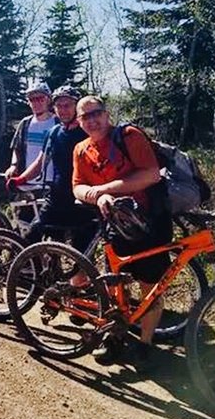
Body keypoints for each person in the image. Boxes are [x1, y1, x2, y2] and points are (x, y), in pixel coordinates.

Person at [72, 95, 172, 367]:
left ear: (106, 115)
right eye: (85, 116)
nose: (92, 120)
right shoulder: (81, 149)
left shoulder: (129, 136)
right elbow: (78, 186)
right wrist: (97, 197)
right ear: (79, 122)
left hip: (150, 223)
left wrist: (105, 190)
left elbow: (151, 174)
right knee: (115, 285)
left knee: (150, 288)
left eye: (96, 114)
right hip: (115, 226)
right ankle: (115, 337)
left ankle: (145, 344)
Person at [7, 86, 96, 252]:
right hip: (55, 199)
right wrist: (21, 179)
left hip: (82, 203)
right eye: (59, 106)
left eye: (67, 105)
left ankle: (69, 276)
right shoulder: (53, 132)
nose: (63, 110)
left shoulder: (88, 133)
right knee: (29, 240)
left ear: (77, 107)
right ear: (54, 107)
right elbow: (40, 162)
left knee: (78, 255)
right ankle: (32, 274)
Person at [4, 81, 58, 189]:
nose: (36, 103)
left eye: (40, 98)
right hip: (26, 183)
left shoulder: (58, 122)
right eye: (32, 99)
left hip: (51, 183)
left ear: (48, 100)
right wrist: (13, 166)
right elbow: (17, 148)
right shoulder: (25, 123)